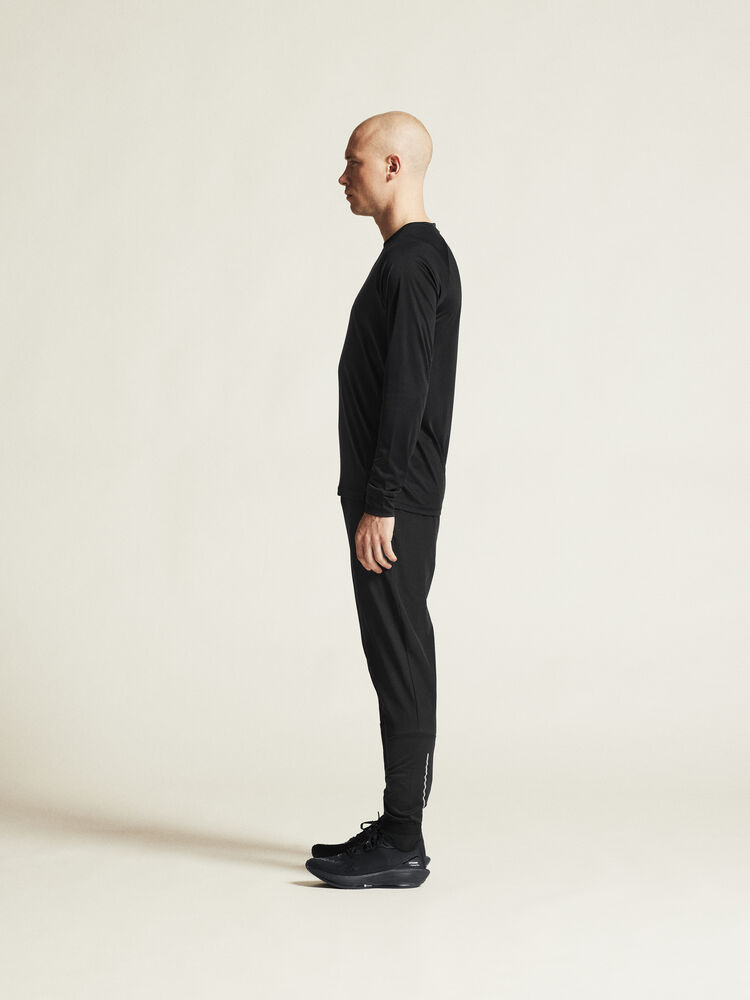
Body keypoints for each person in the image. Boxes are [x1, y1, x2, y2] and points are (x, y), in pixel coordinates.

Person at [305, 111, 462, 889]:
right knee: (391, 652)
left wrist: (382, 500)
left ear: (393, 166)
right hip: (388, 497)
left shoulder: (414, 261)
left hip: (394, 504)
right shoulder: (409, 259)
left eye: (354, 161)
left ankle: (403, 838)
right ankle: (398, 828)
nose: (343, 177)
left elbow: (407, 389)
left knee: (400, 656)